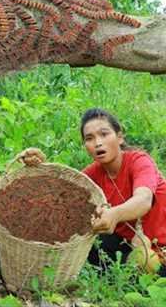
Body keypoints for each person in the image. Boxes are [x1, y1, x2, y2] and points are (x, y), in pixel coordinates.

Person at [21, 108, 166, 275]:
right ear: (85, 146)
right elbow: (58, 194)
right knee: (89, 241)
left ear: (119, 137)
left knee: (145, 263)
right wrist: (40, 168)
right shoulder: (93, 173)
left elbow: (144, 199)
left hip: (159, 247)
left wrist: (114, 214)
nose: (98, 143)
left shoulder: (139, 161)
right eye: (89, 138)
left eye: (104, 134)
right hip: (126, 245)